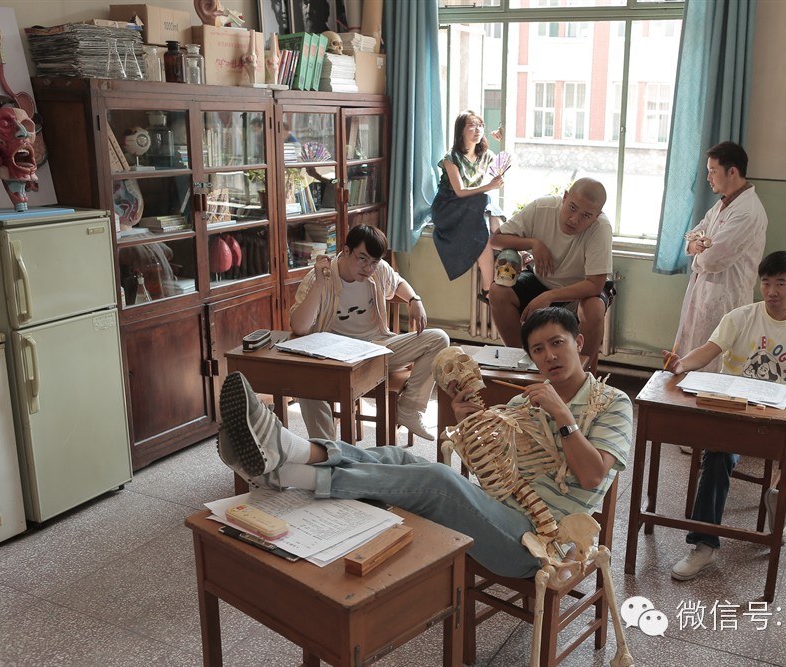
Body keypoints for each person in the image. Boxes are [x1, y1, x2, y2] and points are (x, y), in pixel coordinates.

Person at [216, 307, 633, 578]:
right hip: (500, 514)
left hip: (540, 543)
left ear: (579, 343)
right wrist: (469, 423)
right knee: (397, 455)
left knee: (438, 480)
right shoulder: (528, 400)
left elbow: (593, 476)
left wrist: (564, 417)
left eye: (557, 343)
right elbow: (492, 473)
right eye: (538, 349)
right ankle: (290, 459)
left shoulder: (613, 403)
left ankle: (286, 465)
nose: (549, 356)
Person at [664, 251, 786, 581]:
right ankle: (704, 546)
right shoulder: (740, 317)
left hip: (776, 417)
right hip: (733, 414)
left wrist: (783, 411)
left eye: (780, 283)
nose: (771, 291)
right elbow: (709, 351)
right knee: (717, 456)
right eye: (766, 283)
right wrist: (681, 364)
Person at [289, 224, 448, 441]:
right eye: (362, 259)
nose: (368, 268)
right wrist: (319, 285)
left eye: (374, 262)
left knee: (439, 339)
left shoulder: (379, 270)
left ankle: (409, 409)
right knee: (306, 382)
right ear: (346, 251)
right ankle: (328, 450)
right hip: (335, 359)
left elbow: (398, 282)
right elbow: (299, 327)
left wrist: (414, 300)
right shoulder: (320, 276)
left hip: (376, 350)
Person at [489, 178, 614, 374]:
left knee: (594, 309)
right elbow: (496, 239)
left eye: (586, 216)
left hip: (580, 289)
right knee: (498, 292)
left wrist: (549, 296)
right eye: (572, 208)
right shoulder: (542, 208)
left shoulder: (601, 228)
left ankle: (584, 377)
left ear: (597, 216)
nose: (574, 219)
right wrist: (534, 243)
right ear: (565, 197)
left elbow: (595, 285)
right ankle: (523, 364)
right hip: (541, 279)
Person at [673, 141, 768, 374]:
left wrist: (700, 254)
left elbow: (713, 260)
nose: (708, 178)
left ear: (732, 171)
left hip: (727, 298)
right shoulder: (722, 205)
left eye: (713, 171)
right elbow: (694, 233)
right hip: (705, 293)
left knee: (718, 367)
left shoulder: (747, 211)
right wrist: (696, 244)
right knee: (693, 360)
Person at [430, 110, 505, 293]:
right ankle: (491, 282)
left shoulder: (486, 155)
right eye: (472, 125)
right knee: (485, 199)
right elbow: (460, 191)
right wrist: (489, 186)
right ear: (461, 131)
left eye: (480, 125)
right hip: (447, 206)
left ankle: (489, 287)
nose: (477, 129)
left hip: (469, 207)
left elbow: (504, 165)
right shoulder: (451, 158)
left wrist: (502, 138)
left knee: (486, 233)